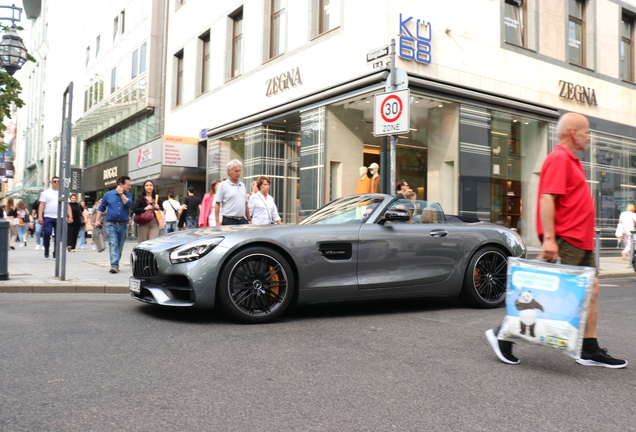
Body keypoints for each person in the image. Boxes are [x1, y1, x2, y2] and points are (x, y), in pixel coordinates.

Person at [485, 112, 627, 369]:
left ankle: (589, 349)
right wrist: (549, 239)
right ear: (573, 132)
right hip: (567, 239)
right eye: (586, 132)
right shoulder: (559, 158)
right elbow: (546, 198)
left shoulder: (572, 161)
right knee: (553, 296)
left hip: (581, 241)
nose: (589, 136)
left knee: (589, 291)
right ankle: (502, 335)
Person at [93, 176, 133, 273]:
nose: (130, 186)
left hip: (123, 225)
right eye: (128, 184)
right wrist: (97, 220)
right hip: (111, 224)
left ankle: (116, 263)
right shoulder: (109, 194)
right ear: (121, 184)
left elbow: (129, 204)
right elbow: (101, 208)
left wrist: (121, 194)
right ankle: (114, 265)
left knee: (120, 245)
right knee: (113, 244)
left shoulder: (128, 195)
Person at [38, 177, 73, 259]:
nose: (56, 183)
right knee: (47, 233)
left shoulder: (63, 193)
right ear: (51, 182)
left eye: (58, 181)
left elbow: (67, 205)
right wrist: (40, 216)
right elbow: (41, 205)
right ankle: (46, 249)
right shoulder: (46, 193)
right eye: (54, 181)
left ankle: (55, 252)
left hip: (60, 217)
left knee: (58, 236)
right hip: (48, 217)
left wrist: (70, 216)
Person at [215, 159, 250, 226]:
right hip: (229, 220)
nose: (238, 173)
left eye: (239, 171)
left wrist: (249, 219)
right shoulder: (223, 185)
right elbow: (217, 203)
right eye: (236, 171)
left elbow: (246, 204)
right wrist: (217, 221)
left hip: (242, 220)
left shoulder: (242, 185)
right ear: (229, 171)